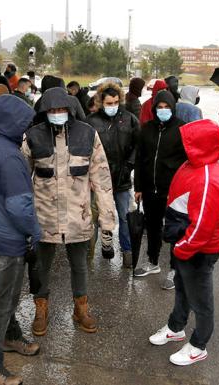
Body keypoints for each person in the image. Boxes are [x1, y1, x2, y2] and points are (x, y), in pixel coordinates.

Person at [23, 87, 116, 336]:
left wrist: (107, 217)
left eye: (62, 109)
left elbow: (102, 177)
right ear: (44, 111)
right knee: (41, 267)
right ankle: (41, 309)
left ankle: (80, 308)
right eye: (52, 110)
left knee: (80, 265)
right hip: (44, 217)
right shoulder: (32, 136)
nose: (57, 114)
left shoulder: (88, 134)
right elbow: (21, 179)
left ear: (70, 109)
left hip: (79, 215)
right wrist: (21, 219)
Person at [149, 119, 219, 366]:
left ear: (200, 145)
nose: (183, 145)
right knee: (183, 289)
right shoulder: (194, 164)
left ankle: (199, 345)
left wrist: (183, 248)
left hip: (197, 250)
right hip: (185, 244)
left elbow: (203, 227)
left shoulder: (209, 179)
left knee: (201, 300)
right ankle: (176, 326)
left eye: (188, 141)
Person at [0, 94, 41, 385]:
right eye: (24, 123)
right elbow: (19, 206)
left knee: (8, 299)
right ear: (13, 123)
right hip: (9, 240)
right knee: (4, 303)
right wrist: (34, 231)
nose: (26, 130)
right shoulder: (11, 156)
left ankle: (11, 337)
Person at [134, 90, 187, 290]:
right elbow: (140, 159)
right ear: (154, 108)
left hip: (173, 189)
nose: (163, 110)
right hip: (149, 188)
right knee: (153, 226)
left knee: (174, 229)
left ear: (172, 108)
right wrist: (138, 186)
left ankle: (174, 269)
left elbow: (186, 161)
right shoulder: (146, 128)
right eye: (159, 107)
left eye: (166, 107)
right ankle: (153, 262)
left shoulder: (181, 128)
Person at [87, 83, 140, 267]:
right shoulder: (91, 121)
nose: (113, 105)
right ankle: (89, 256)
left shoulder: (129, 119)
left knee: (124, 216)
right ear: (101, 102)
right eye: (109, 103)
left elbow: (137, 144)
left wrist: (130, 165)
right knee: (95, 217)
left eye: (116, 102)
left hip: (122, 178)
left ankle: (127, 251)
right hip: (98, 180)